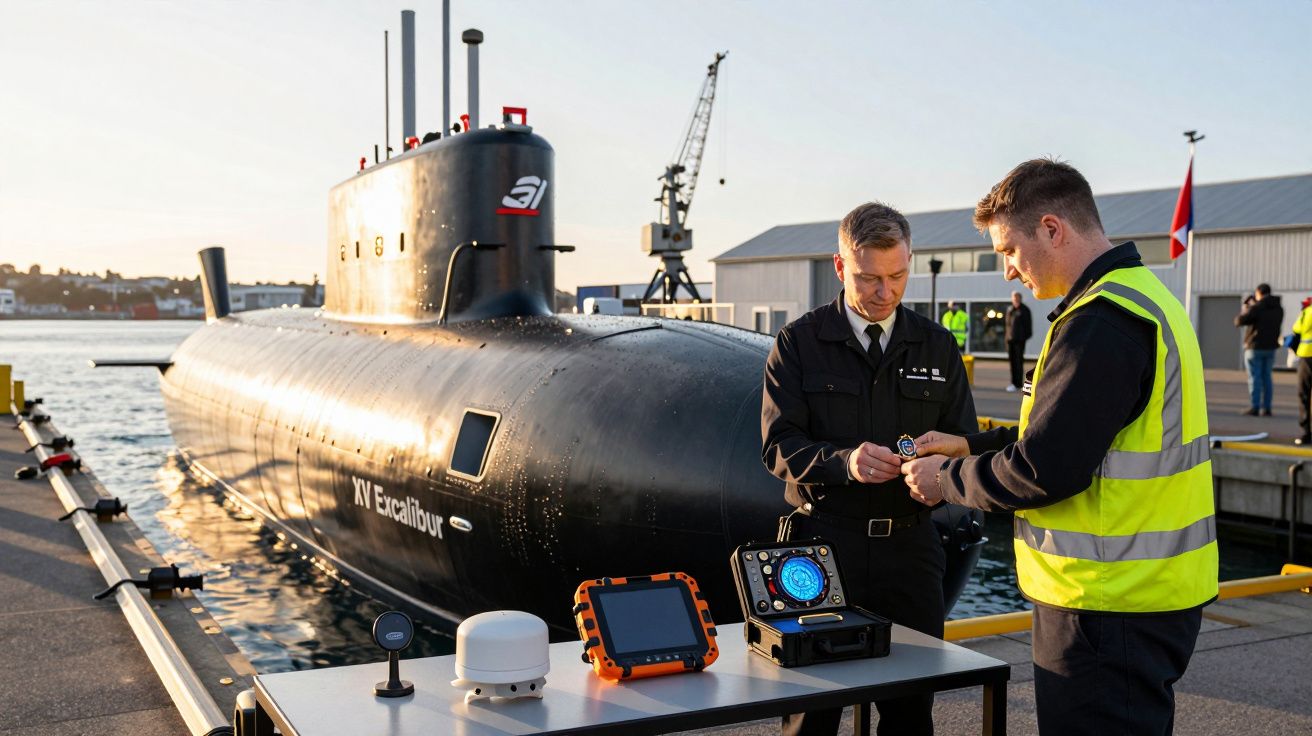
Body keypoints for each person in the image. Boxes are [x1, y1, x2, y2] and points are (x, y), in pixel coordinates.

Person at [900, 159, 1218, 736]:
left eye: (1008, 250)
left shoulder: (1100, 323)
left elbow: (1046, 468)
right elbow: (1075, 435)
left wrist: (944, 480)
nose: (1007, 273)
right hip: (1149, 596)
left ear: (1052, 229)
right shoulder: (1148, 300)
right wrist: (969, 443)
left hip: (1104, 603)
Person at [762, 201, 976, 736]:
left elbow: (964, 444)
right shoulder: (799, 344)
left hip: (911, 550)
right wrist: (844, 464)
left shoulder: (937, 346)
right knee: (813, 713)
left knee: (909, 711)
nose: (885, 292)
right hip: (822, 552)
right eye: (869, 278)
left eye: (898, 276)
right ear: (840, 268)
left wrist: (940, 482)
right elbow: (777, 446)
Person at [1234, 283, 1283, 416]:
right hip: (1271, 347)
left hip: (1255, 347)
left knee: (1254, 377)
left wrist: (1247, 308)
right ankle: (1267, 408)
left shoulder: (1257, 307)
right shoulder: (1278, 308)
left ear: (1259, 293)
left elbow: (1239, 321)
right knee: (1267, 377)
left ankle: (1255, 406)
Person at [1004, 291, 1032, 392]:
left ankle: (1019, 384)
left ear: (1020, 298)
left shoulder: (1024, 310)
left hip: (1019, 341)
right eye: (1013, 298)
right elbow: (1007, 326)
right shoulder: (1010, 310)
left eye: (1016, 297)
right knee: (1012, 363)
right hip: (1010, 341)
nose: (1015, 299)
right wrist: (1007, 338)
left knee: (1018, 362)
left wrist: (1022, 338)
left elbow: (1028, 327)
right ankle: (1013, 383)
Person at [1294, 296, 1312, 445]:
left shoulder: (1309, 311)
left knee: (1304, 394)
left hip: (1308, 355)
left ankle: (1306, 433)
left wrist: (1304, 311)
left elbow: (1298, 328)